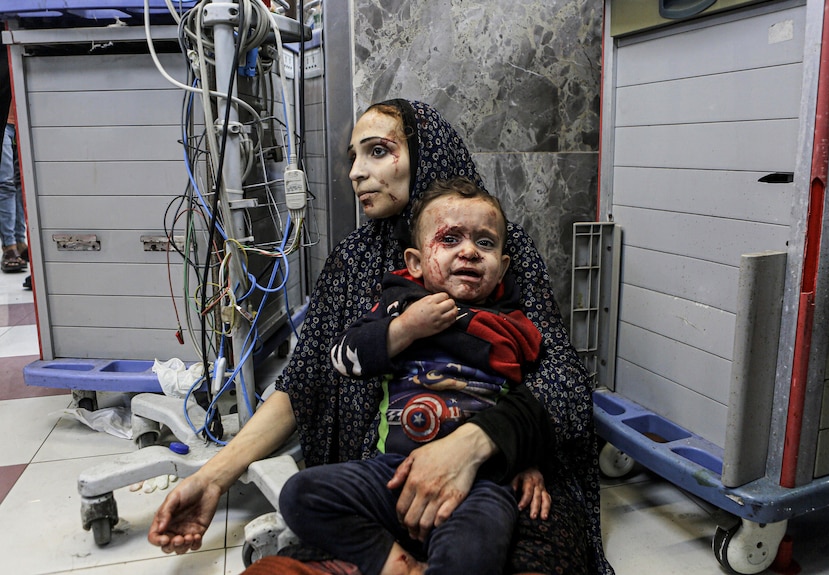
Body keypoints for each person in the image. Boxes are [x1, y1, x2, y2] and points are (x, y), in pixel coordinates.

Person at [149, 99, 613, 575]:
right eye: (353, 157)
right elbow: (304, 383)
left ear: (425, 153)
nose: (356, 172)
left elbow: (561, 382)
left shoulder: (494, 252)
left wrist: (471, 446)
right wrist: (212, 479)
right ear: (413, 261)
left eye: (376, 152)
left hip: (496, 470)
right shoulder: (352, 261)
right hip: (386, 478)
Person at [280, 177, 548, 575]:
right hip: (394, 471)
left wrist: (527, 460)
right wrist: (404, 329)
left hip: (481, 482)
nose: (470, 251)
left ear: (502, 267)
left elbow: (530, 405)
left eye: (486, 243)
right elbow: (341, 357)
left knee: (473, 551)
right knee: (300, 494)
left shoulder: (511, 325)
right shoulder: (400, 306)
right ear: (416, 264)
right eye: (450, 239)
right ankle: (397, 564)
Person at [0, 49, 27, 276]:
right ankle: (8, 247)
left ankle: (20, 241)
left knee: (20, 183)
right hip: (7, 119)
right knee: (6, 183)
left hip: (19, 116)